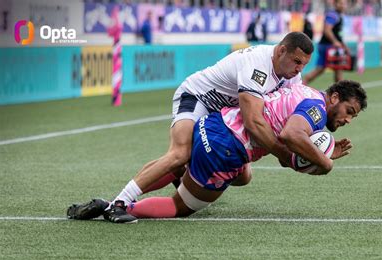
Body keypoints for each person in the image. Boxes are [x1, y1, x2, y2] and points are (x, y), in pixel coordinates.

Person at [67, 32, 314, 223]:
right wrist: (284, 153)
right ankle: (119, 202)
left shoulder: (290, 74)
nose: (298, 69)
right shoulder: (257, 65)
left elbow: (288, 110)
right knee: (179, 154)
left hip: (220, 115)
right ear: (281, 50)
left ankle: (165, 182)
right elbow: (253, 122)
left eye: (303, 65)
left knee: (243, 176)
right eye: (296, 61)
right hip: (196, 98)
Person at [70, 80, 367, 222]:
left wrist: (319, 155)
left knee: (242, 176)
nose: (347, 120)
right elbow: (291, 136)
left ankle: (139, 190)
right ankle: (117, 206)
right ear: (334, 97)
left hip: (212, 124)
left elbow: (286, 154)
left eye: (353, 117)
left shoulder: (303, 90)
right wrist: (325, 164)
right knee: (181, 207)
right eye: (348, 111)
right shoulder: (316, 110)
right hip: (225, 149)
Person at [303, 0, 350, 84]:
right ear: (335, 4)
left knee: (322, 69)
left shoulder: (338, 15)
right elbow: (327, 30)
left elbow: (338, 34)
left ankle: (302, 83)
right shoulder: (333, 15)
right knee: (337, 71)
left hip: (328, 46)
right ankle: (341, 94)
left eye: (345, 4)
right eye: (341, 3)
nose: (343, 6)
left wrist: (343, 45)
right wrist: (335, 42)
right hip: (328, 47)